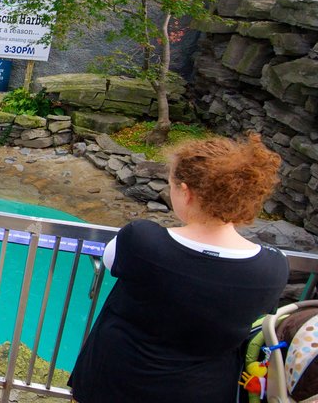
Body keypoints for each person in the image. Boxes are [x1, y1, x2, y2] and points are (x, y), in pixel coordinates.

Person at [68, 134, 289, 403]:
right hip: (203, 390)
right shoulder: (271, 268)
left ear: (185, 191)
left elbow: (112, 260)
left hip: (116, 380)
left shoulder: (143, 240)